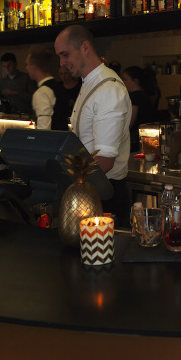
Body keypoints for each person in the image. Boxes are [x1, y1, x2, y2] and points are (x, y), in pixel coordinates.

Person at [55, 24, 132, 227]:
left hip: (105, 195)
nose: (62, 63)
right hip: (89, 190)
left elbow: (105, 161)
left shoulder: (107, 89)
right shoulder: (89, 82)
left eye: (65, 55)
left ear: (85, 47)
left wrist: (67, 185)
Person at [25, 46, 71, 130]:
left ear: (34, 66)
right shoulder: (58, 87)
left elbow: (44, 129)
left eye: (27, 64)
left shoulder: (42, 92)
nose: (26, 68)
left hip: (52, 138)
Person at [121, 66, 156, 151]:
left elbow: (130, 120)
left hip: (135, 138)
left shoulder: (136, 96)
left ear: (136, 81)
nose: (123, 82)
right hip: (144, 136)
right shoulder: (143, 94)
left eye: (126, 79)